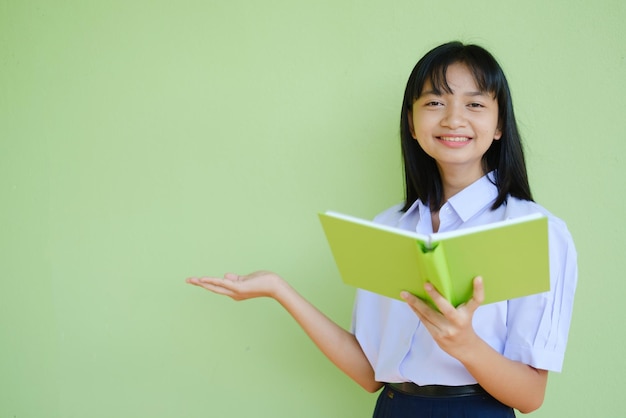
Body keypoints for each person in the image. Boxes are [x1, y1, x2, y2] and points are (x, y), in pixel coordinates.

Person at [186, 41, 577, 417]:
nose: (453, 118)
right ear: (411, 122)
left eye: (474, 104)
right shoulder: (389, 227)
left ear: (498, 125)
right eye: (435, 102)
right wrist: (279, 289)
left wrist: (466, 345)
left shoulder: (534, 231)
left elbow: (530, 396)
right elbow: (368, 373)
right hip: (394, 408)